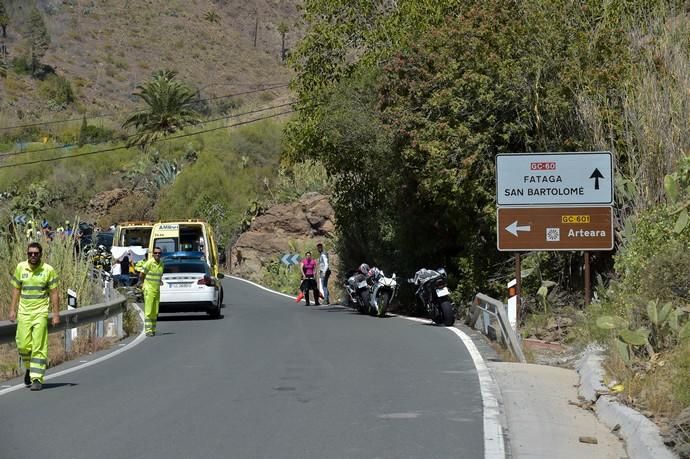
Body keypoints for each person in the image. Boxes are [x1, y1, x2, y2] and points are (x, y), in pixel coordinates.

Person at [8, 242, 60, 391]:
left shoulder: (48, 270)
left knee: (39, 345)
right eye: (30, 253)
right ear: (27, 254)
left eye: (35, 253)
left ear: (40, 254)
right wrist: (12, 309)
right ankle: (30, 368)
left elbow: (54, 292)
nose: (32, 255)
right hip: (24, 312)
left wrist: (56, 314)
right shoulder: (20, 267)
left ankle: (37, 378)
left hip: (40, 313)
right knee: (23, 345)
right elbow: (16, 289)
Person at [138, 247, 164, 336]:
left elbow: (158, 275)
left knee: (155, 311)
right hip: (149, 289)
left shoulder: (161, 264)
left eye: (159, 253)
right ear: (153, 254)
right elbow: (141, 274)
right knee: (149, 311)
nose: (157, 254)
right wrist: (143, 284)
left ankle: (153, 329)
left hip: (156, 290)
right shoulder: (149, 263)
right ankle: (148, 330)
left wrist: (160, 281)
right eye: (156, 253)